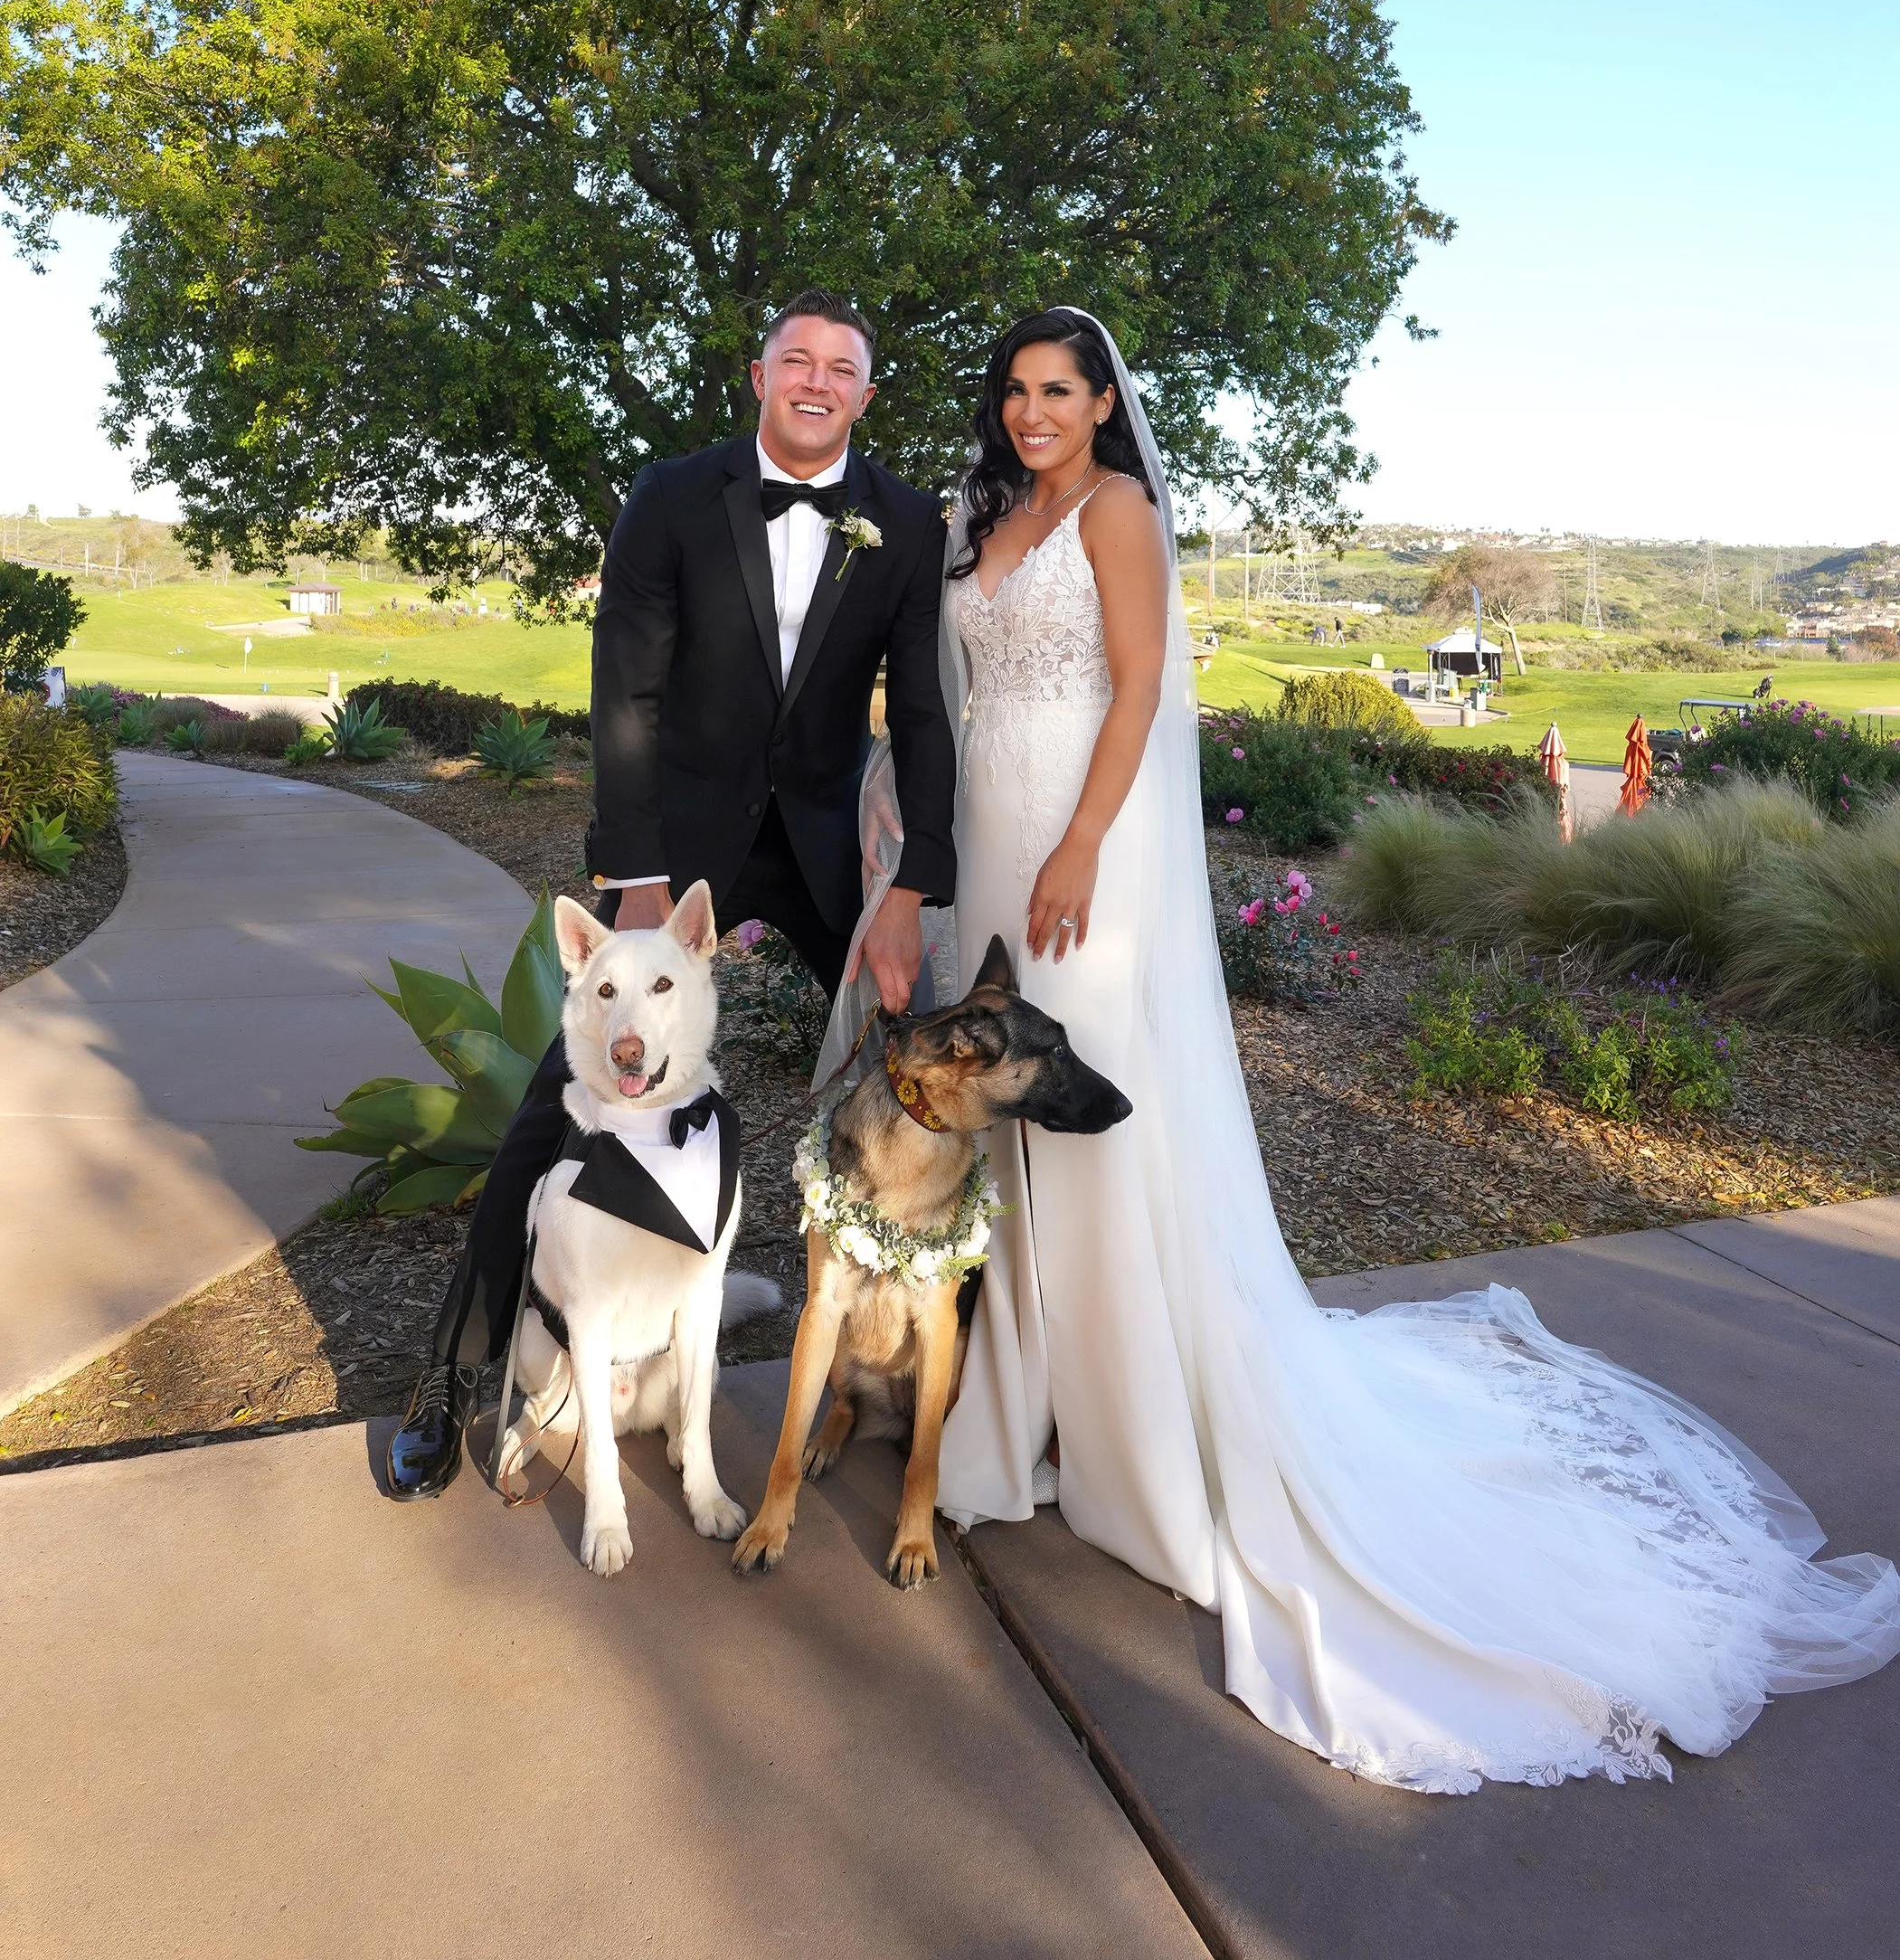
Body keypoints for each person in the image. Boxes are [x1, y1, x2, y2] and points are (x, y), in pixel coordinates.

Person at [932, 306, 1900, 1791]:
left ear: (1105, 402)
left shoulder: (1116, 510)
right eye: (1015, 388)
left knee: (1089, 1112)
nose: (1031, 410)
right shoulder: (988, 512)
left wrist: (1077, 844)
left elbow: (1137, 689)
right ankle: (1020, 1403)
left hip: (1083, 854)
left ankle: (1133, 1432)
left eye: (1059, 388)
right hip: (989, 842)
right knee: (1000, 1120)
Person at [385, 292, 957, 1497]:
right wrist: (636, 876)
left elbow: (919, 713)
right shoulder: (672, 495)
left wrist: (914, 885)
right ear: (759, 375)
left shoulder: (906, 522)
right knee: (557, 1102)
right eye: (795, 359)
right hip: (676, 851)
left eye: (840, 366)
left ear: (866, 392)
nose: (815, 380)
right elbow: (625, 693)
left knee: (933, 1064)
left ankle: (965, 1386)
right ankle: (452, 1377)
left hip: (825, 850)